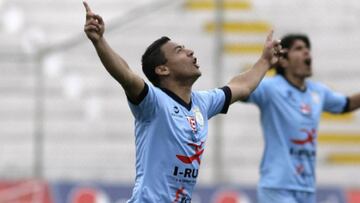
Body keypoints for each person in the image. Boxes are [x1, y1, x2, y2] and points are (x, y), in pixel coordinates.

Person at [83, 1, 281, 202]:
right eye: (179, 50)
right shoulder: (153, 103)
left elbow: (242, 86)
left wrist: (264, 61)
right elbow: (125, 74)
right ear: (162, 69)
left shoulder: (201, 103)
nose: (190, 52)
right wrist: (99, 41)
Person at [241, 33, 360, 203]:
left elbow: (346, 104)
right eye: (299, 48)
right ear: (283, 60)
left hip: (307, 188)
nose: (307, 52)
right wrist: (264, 62)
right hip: (277, 187)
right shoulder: (271, 87)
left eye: (307, 48)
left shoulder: (318, 91)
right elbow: (241, 89)